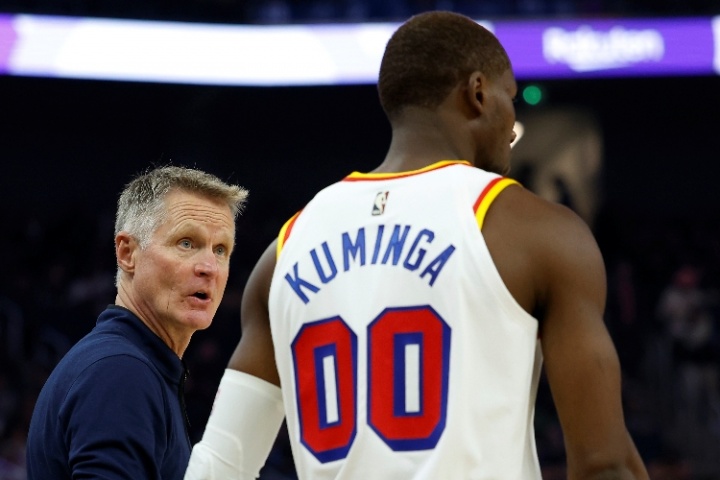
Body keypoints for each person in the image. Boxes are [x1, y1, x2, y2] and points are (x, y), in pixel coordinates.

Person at [185, 11, 649, 480]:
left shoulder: (284, 249)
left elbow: (219, 467)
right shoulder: (538, 231)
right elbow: (604, 464)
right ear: (478, 93)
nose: (513, 125)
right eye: (510, 98)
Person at [26, 165, 248, 479]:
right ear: (127, 253)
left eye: (221, 249)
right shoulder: (121, 372)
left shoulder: (130, 364)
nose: (210, 267)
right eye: (186, 243)